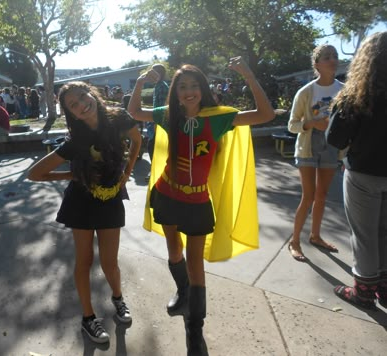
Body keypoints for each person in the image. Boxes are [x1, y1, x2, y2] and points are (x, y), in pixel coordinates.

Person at [128, 58, 274, 355]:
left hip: (197, 201)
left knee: (195, 262)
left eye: (194, 86)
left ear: (203, 89)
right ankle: (183, 293)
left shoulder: (218, 118)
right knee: (173, 251)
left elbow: (265, 114)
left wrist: (247, 74)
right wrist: (141, 83)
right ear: (176, 91)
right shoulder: (169, 115)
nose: (189, 91)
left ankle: (195, 329)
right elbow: (133, 112)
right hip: (167, 194)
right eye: (183, 86)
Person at [28, 81, 141, 344]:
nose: (82, 104)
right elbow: (34, 173)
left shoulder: (119, 118)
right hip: (81, 202)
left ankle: (118, 298)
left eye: (82, 96)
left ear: (92, 93)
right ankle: (88, 318)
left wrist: (127, 172)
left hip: (111, 198)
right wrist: (74, 174)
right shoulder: (76, 140)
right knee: (84, 260)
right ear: (71, 113)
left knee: (110, 262)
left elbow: (137, 140)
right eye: (73, 105)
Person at [326, 32, 387, 310]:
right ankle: (384, 288)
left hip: (363, 173)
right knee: (384, 233)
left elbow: (335, 139)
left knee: (364, 235)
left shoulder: (356, 95)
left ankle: (363, 293)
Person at [287, 44, 344, 262]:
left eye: (335, 56)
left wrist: (347, 153)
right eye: (327, 57)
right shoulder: (306, 92)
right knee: (309, 196)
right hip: (308, 146)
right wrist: (311, 124)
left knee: (322, 195)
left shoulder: (345, 90)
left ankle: (315, 236)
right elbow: (292, 125)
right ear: (317, 64)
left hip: (332, 147)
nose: (333, 60)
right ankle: (295, 242)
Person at [145, 64, 169, 181]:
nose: (152, 75)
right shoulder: (158, 86)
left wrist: (157, 124)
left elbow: (163, 106)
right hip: (154, 123)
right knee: (152, 147)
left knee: (152, 147)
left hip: (158, 123)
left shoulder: (162, 86)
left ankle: (157, 171)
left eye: (155, 73)